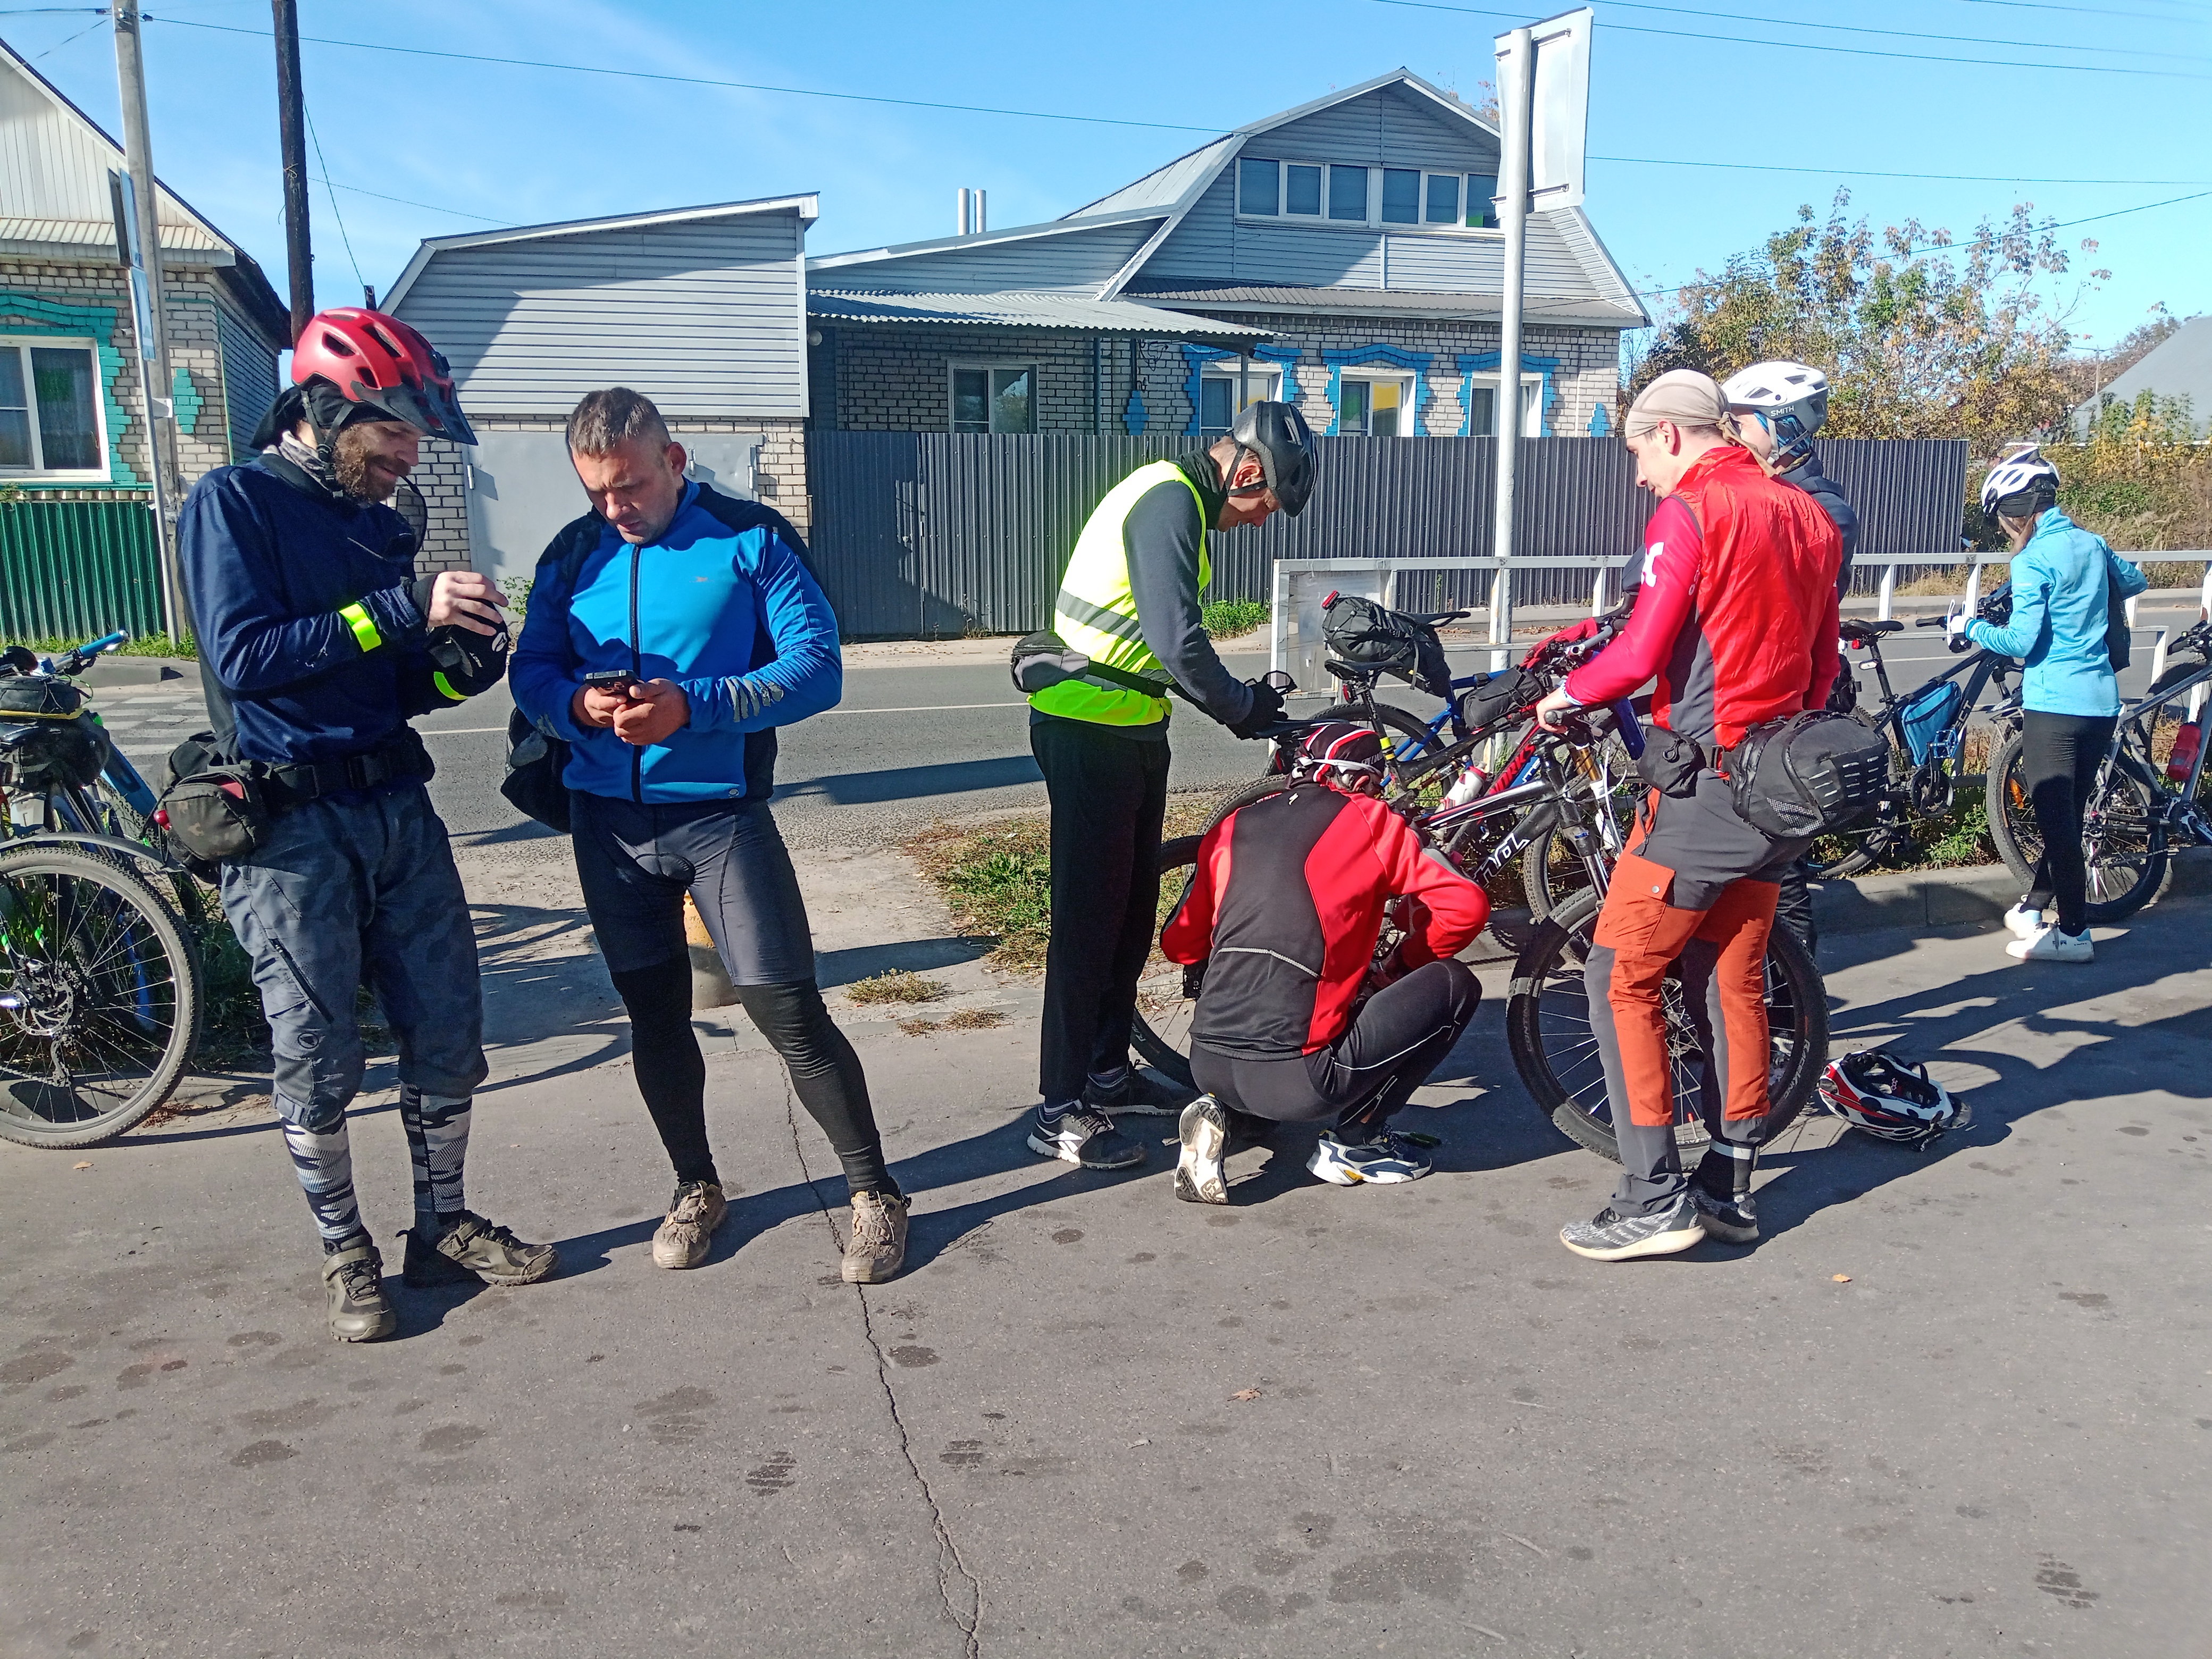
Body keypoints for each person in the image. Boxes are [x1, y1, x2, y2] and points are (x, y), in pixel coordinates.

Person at [177, 307, 556, 1343]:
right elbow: (246, 657)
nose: (408, 455)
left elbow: (390, 680)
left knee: (449, 1027)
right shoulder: (235, 504)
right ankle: (345, 1251)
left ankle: (442, 1228)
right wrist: (400, 611)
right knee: (317, 1052)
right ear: (326, 404)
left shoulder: (381, 523)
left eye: (416, 437)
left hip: (397, 807)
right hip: (290, 828)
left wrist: (459, 667)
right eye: (393, 431)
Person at [509, 388, 908, 1284]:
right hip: (608, 826)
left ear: (675, 461)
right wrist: (577, 704)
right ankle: (696, 1186)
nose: (616, 508)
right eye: (597, 492)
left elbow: (818, 669)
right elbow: (531, 671)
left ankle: (876, 1193)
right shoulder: (572, 552)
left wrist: (694, 705)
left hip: (720, 818)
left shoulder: (748, 537)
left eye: (631, 486)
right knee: (655, 1017)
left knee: (789, 1013)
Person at [1533, 370, 1842, 1261]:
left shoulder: (1693, 510)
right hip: (1785, 785)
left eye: (1638, 451)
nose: (1639, 474)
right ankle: (1728, 1189)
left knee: (1616, 976)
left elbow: (1638, 652)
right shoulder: (1808, 515)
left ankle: (1652, 1197)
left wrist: (1566, 696)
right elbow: (1823, 665)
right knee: (1729, 976)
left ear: (1669, 434)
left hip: (1707, 791)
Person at [1023, 400, 1317, 1171]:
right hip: (1085, 728)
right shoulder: (1168, 501)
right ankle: (1058, 1111)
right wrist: (1240, 708)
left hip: (1131, 727)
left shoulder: (1181, 501)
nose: (1260, 520)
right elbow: (1176, 640)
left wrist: (1241, 704)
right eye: (1266, 504)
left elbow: (1158, 649)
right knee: (1087, 926)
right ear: (1245, 472)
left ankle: (1106, 1073)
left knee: (1127, 917)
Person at [1160, 724, 1487, 1203]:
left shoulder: (1233, 824)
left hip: (1207, 1063)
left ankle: (1226, 1114)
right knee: (1455, 984)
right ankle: (1358, 1142)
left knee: (1289, 1014)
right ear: (1362, 782)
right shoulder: (1371, 820)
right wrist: (1401, 964)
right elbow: (1467, 908)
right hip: (1303, 1082)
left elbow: (1179, 945)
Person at [1954, 446, 2145, 963]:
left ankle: (2074, 935)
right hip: (2099, 703)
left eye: (2001, 519)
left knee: (2057, 826)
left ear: (2015, 511)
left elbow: (2019, 640)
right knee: (2068, 815)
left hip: (2054, 705)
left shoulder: (2033, 558)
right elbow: (2135, 580)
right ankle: (2034, 907)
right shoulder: (2091, 543)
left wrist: (1970, 627)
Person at [1723, 361, 1857, 959]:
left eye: (1742, 422)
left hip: (1784, 698)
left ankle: (1791, 996)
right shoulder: (1764, 492)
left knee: (1778, 859)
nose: (1732, 433)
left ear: (1785, 425)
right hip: (1750, 692)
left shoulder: (1821, 508)